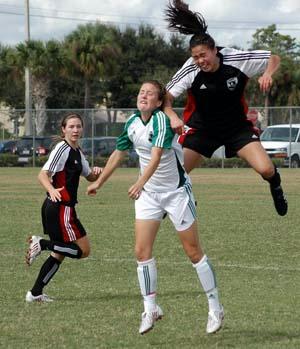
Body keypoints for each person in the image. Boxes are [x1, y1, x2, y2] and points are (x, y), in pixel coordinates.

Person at [87, 80, 224, 335]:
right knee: (141, 252)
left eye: (150, 93)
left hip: (175, 193)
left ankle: (215, 307)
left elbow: (158, 155)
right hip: (149, 195)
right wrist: (100, 183)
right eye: (141, 92)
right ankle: (150, 308)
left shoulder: (161, 120)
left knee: (193, 252)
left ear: (159, 102)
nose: (144, 95)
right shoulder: (132, 123)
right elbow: (119, 153)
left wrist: (139, 182)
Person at [164, 0, 287, 216]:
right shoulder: (190, 68)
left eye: (203, 55)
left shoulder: (236, 59)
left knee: (266, 169)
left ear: (215, 50)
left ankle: (276, 186)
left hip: (236, 128)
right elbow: (165, 98)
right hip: (202, 129)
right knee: (175, 175)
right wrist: (172, 116)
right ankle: (177, 201)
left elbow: (273, 58)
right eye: (195, 57)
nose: (200, 61)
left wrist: (267, 73)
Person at [25, 112, 102, 303]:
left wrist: (98, 172)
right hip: (60, 208)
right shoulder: (63, 148)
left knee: (59, 253)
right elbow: (43, 174)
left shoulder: (77, 152)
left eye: (78, 126)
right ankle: (41, 244)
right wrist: (51, 189)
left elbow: (89, 176)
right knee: (82, 251)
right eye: (71, 126)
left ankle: (35, 293)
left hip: (61, 208)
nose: (75, 130)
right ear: (63, 129)